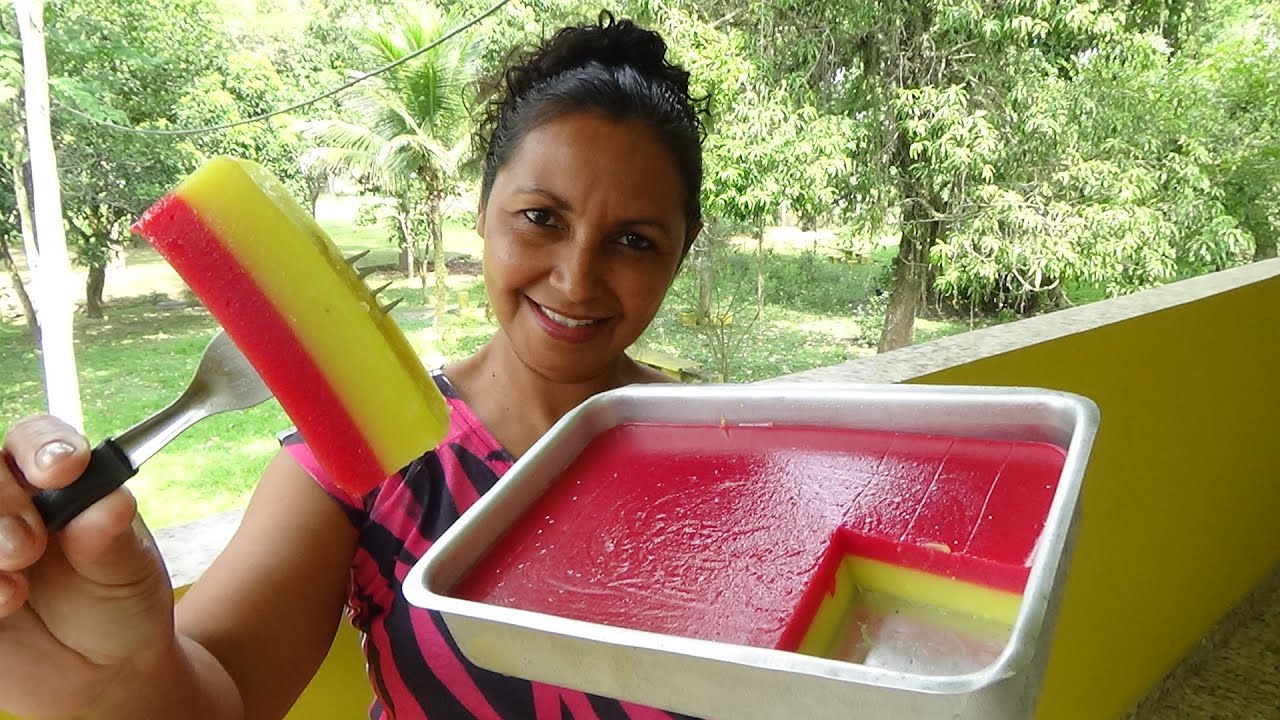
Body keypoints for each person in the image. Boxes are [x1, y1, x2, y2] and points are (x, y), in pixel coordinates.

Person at [0, 12, 710, 720]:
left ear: (683, 249)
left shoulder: (727, 443)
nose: (578, 279)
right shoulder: (365, 462)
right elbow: (220, 688)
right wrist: (108, 678)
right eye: (542, 218)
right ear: (485, 208)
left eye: (633, 240)